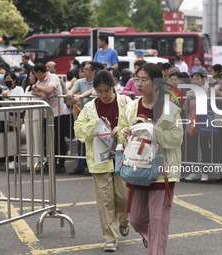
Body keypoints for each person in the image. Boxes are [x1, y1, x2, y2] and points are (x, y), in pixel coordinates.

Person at [118, 63, 183, 255]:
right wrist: (125, 132)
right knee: (136, 218)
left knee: (157, 219)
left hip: (162, 171)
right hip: (137, 168)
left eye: (143, 79)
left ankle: (156, 249)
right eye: (136, 79)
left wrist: (153, 130)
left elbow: (176, 138)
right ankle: (152, 239)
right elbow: (122, 131)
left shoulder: (169, 108)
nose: (138, 83)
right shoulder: (131, 106)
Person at [74, 70, 131, 252]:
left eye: (107, 90)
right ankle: (110, 237)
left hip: (123, 159)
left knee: (122, 198)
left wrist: (121, 130)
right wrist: (95, 124)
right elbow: (79, 131)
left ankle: (123, 220)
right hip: (99, 160)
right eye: (99, 91)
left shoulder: (125, 102)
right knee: (105, 201)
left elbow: (135, 124)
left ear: (114, 87)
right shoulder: (90, 107)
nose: (104, 95)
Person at [32, 63, 66, 173]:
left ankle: (60, 163)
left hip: (58, 113)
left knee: (58, 139)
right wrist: (42, 91)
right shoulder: (41, 80)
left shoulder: (53, 77)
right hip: (47, 113)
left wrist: (38, 88)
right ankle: (50, 161)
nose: (37, 78)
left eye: (36, 75)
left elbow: (49, 90)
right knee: (47, 138)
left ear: (39, 72)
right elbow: (35, 92)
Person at [66, 61, 97, 175]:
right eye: (84, 69)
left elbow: (92, 91)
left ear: (93, 71)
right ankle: (80, 165)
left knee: (92, 140)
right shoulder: (79, 81)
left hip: (94, 114)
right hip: (81, 114)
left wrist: (80, 96)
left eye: (87, 69)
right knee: (80, 138)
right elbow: (72, 90)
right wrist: (70, 93)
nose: (84, 71)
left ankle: (91, 166)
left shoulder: (97, 81)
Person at [1, 72, 25, 169]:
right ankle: (10, 159)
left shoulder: (19, 89)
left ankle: (15, 160)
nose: (7, 81)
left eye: (9, 79)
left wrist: (10, 98)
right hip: (6, 116)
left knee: (14, 138)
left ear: (14, 80)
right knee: (8, 139)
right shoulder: (6, 90)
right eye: (6, 79)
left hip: (16, 116)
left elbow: (21, 102)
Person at [23, 70, 42, 171]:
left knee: (37, 140)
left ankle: (38, 163)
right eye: (29, 76)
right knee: (29, 140)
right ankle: (29, 163)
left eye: (32, 76)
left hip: (37, 115)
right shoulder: (27, 88)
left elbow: (42, 99)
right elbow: (24, 101)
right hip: (28, 115)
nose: (30, 78)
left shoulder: (39, 86)